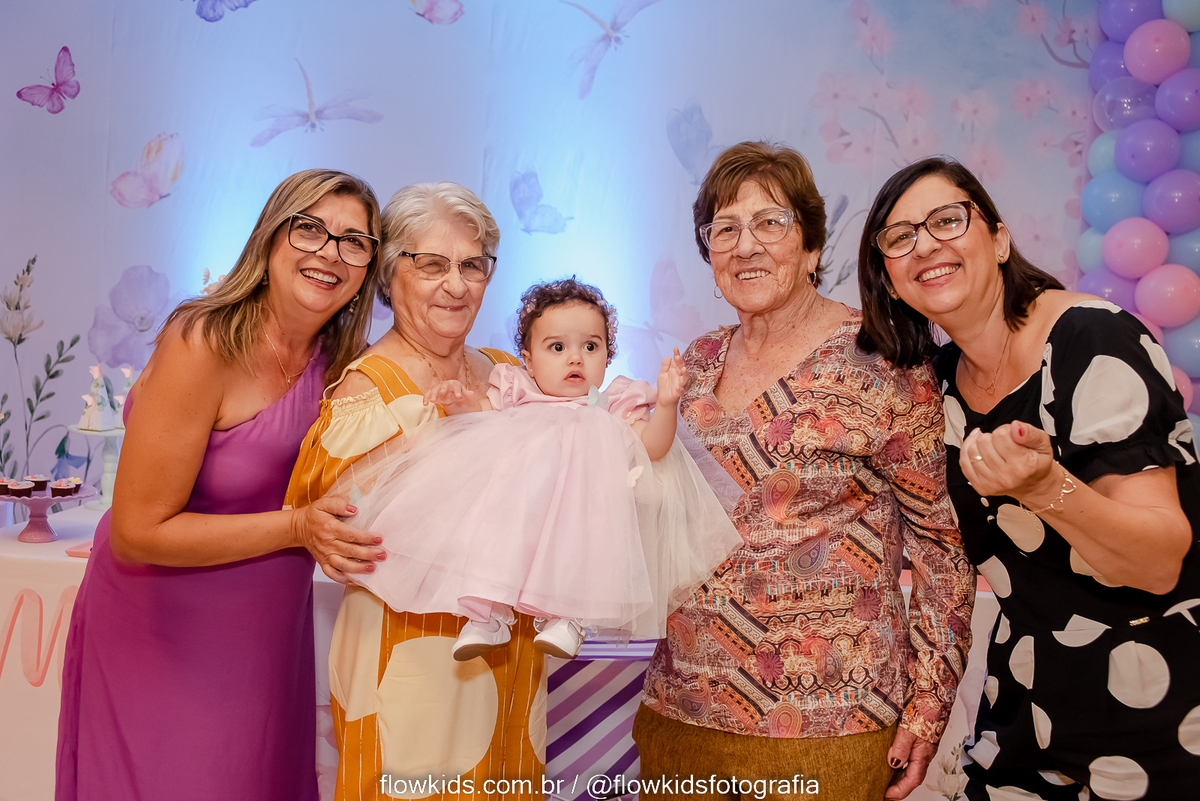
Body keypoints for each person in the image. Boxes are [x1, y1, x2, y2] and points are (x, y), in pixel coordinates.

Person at [633, 141, 976, 801]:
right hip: (681, 710)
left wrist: (929, 704)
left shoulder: (884, 360)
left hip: (832, 725)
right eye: (725, 229)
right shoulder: (696, 363)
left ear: (813, 247)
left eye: (771, 222)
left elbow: (942, 546)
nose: (746, 245)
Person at [857, 156, 1200, 800]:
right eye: (899, 237)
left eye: (947, 220)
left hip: (1153, 713)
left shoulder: (1092, 338)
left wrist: (1045, 489)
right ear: (891, 282)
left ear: (999, 239)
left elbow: (1157, 564)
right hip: (1023, 714)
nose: (924, 245)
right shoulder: (933, 388)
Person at [55, 169, 387, 801]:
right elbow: (137, 532)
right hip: (161, 629)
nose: (330, 252)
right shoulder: (203, 340)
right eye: (310, 228)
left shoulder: (349, 365)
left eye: (354, 241)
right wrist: (298, 526)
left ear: (369, 266)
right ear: (271, 236)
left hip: (266, 634)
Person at [284, 182, 543, 801]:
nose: (455, 284)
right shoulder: (367, 392)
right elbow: (332, 534)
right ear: (389, 273)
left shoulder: (508, 372)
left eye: (472, 265)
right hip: (412, 651)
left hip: (512, 646)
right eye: (431, 264)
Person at [328, 278, 741, 661]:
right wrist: (458, 402)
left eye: (591, 346)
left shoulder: (612, 404)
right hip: (518, 508)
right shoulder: (517, 392)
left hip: (580, 514)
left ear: (607, 356)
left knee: (577, 545)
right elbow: (478, 422)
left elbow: (652, 447)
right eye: (557, 347)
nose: (575, 357)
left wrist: (666, 404)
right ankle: (486, 615)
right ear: (528, 360)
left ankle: (569, 616)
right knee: (489, 537)